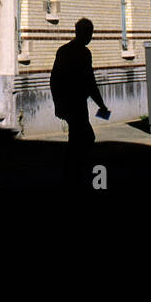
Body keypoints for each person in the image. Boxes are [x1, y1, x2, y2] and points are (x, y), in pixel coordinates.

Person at [50, 18, 110, 186]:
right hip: (75, 104)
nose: (90, 37)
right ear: (83, 33)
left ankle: (72, 174)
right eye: (89, 33)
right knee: (85, 138)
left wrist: (57, 104)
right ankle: (74, 175)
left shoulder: (64, 51)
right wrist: (101, 105)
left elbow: (54, 80)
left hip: (70, 103)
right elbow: (89, 82)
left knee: (77, 139)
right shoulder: (83, 53)